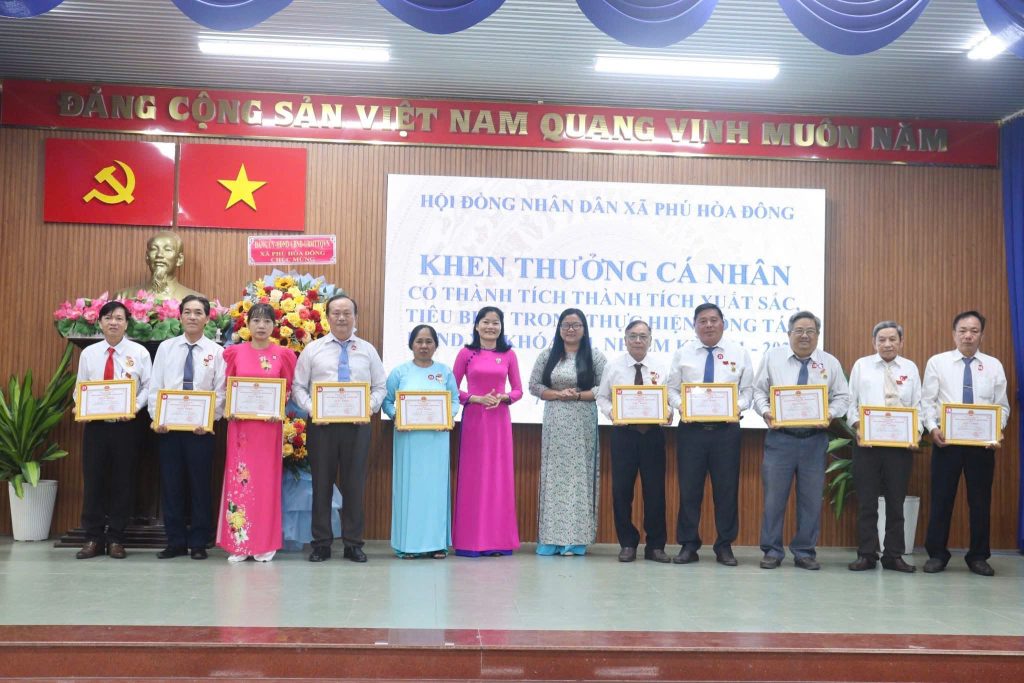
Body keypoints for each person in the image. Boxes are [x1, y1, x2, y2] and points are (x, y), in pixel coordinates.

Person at [752, 310, 850, 570]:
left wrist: (829, 414)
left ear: (817, 335)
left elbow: (843, 397)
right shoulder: (772, 358)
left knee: (810, 499)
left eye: (810, 331)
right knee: (774, 499)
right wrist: (766, 411)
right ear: (789, 334)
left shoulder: (830, 363)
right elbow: (758, 391)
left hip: (814, 440)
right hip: (780, 439)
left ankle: (805, 551)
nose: (804, 336)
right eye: (799, 331)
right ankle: (772, 550)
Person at [293, 294, 386, 563]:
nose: (342, 318)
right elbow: (299, 387)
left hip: (357, 427)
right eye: (336, 313)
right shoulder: (313, 350)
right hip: (322, 427)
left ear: (356, 317)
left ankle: (353, 544)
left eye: (347, 313)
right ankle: (321, 543)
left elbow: (380, 387)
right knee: (321, 484)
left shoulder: (367, 350)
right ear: (327, 317)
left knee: (354, 485)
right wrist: (313, 410)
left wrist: (367, 408)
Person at [921, 310, 1010, 576]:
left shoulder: (993, 366)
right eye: (962, 330)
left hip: (982, 445)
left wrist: (997, 430)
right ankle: (937, 554)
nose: (968, 335)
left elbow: (1002, 407)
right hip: (946, 442)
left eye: (974, 330)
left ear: (981, 335)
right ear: (954, 334)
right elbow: (927, 402)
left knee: (980, 502)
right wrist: (932, 428)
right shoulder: (937, 363)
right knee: (941, 499)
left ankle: (978, 556)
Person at [666, 303, 753, 567]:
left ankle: (724, 546)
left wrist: (735, 408)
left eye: (713, 320)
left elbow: (747, 392)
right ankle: (688, 545)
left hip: (726, 432)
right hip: (691, 432)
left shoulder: (739, 352)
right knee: (689, 490)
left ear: (723, 323)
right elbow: (671, 390)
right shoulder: (683, 353)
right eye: (702, 321)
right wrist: (682, 406)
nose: (708, 325)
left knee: (726, 491)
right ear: (695, 325)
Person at [216, 304, 297, 563]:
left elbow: (287, 389)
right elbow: (228, 387)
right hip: (241, 429)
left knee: (265, 483)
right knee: (239, 482)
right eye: (256, 321)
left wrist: (278, 407)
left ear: (274, 325)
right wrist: (230, 408)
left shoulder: (283, 354)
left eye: (267, 321)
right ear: (247, 324)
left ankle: (264, 543)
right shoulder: (234, 353)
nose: (261, 326)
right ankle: (239, 542)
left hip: (269, 428)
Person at [73, 301, 152, 560]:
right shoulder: (89, 354)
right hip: (96, 427)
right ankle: (93, 538)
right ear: (100, 323)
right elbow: (80, 388)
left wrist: (133, 407)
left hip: (127, 427)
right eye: (108, 318)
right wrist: (80, 406)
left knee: (123, 481)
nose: (113, 322)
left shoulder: (139, 352)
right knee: (93, 481)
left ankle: (117, 538)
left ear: (127, 323)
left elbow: (148, 388)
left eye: (119, 318)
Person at [149, 295, 226, 560]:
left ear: (207, 318)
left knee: (200, 486)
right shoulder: (166, 348)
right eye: (188, 312)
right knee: (172, 486)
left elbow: (221, 391)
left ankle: (199, 542)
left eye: (198, 312)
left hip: (200, 431)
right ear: (180, 316)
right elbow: (155, 386)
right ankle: (175, 542)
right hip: (168, 429)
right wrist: (156, 418)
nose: (192, 317)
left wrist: (210, 419)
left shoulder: (217, 352)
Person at [528, 308, 607, 556]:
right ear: (559, 328)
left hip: (583, 420)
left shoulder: (595, 356)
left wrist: (579, 396)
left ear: (584, 329)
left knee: (579, 476)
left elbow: (605, 388)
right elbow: (534, 385)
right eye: (566, 325)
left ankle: (575, 541)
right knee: (554, 477)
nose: (570, 329)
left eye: (576, 325)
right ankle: (551, 540)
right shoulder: (548, 355)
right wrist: (557, 394)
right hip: (555, 420)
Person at [846, 321, 921, 573]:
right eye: (881, 339)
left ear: (901, 342)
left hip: (899, 447)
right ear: (874, 342)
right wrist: (858, 426)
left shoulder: (910, 368)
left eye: (892, 339)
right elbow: (851, 403)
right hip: (867, 445)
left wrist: (916, 432)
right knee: (867, 503)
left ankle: (893, 555)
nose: (887, 344)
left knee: (896, 503)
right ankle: (866, 554)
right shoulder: (862, 365)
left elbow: (918, 406)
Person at [596, 320, 671, 563]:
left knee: (655, 493)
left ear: (650, 340)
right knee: (621, 492)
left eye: (643, 336)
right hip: (624, 435)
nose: (638, 340)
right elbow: (602, 397)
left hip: (653, 436)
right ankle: (627, 543)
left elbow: (669, 399)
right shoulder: (613, 367)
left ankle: (655, 546)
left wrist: (669, 413)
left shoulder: (661, 367)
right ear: (625, 339)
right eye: (633, 336)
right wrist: (612, 413)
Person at [382, 325, 460, 558]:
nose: (424, 346)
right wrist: (398, 416)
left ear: (436, 345)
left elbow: (454, 400)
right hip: (408, 440)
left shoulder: (444, 372)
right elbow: (387, 401)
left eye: (429, 341)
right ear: (411, 345)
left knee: (435, 492)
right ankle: (407, 546)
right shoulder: (400, 372)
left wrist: (448, 417)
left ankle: (437, 545)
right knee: (409, 491)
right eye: (419, 341)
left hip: (437, 439)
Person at [452, 306, 523, 557]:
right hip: (474, 419)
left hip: (499, 421)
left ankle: (498, 541)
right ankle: (470, 542)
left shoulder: (509, 355)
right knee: (474, 477)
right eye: (486, 322)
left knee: (498, 478)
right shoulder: (466, 353)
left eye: (495, 323)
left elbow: (518, 390)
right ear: (477, 325)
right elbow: (452, 387)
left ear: (501, 327)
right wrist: (475, 398)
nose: (490, 326)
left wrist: (503, 397)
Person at [117, 231, 203, 301]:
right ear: (147, 257)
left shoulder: (197, 300)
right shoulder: (123, 297)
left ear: (179, 259)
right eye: (154, 249)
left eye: (167, 250)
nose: (159, 255)